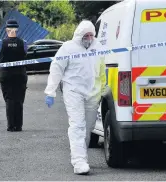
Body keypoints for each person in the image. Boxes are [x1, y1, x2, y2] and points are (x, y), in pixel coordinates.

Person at [44, 20, 106, 175]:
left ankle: (81, 156)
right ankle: (79, 162)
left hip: (93, 93)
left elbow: (102, 69)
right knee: (77, 125)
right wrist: (50, 91)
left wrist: (103, 89)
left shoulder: (98, 47)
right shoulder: (68, 48)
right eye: (86, 35)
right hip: (73, 92)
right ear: (79, 35)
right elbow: (56, 68)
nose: (89, 38)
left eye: (92, 35)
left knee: (88, 127)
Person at [0, 19, 28, 132]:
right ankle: (18, 126)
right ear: (17, 30)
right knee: (19, 100)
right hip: (20, 74)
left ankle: (11, 126)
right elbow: (25, 54)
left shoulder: (1, 43)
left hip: (6, 75)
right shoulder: (23, 43)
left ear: (6, 30)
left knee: (9, 100)